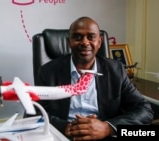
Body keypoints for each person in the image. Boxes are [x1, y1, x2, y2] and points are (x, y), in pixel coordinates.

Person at [24, 16, 154, 141]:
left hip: (104, 135)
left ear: (99, 42)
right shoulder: (48, 71)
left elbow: (144, 109)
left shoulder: (116, 70)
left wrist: (108, 127)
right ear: (69, 42)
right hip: (63, 135)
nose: (85, 42)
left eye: (91, 37)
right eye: (78, 37)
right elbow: (32, 112)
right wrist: (66, 127)